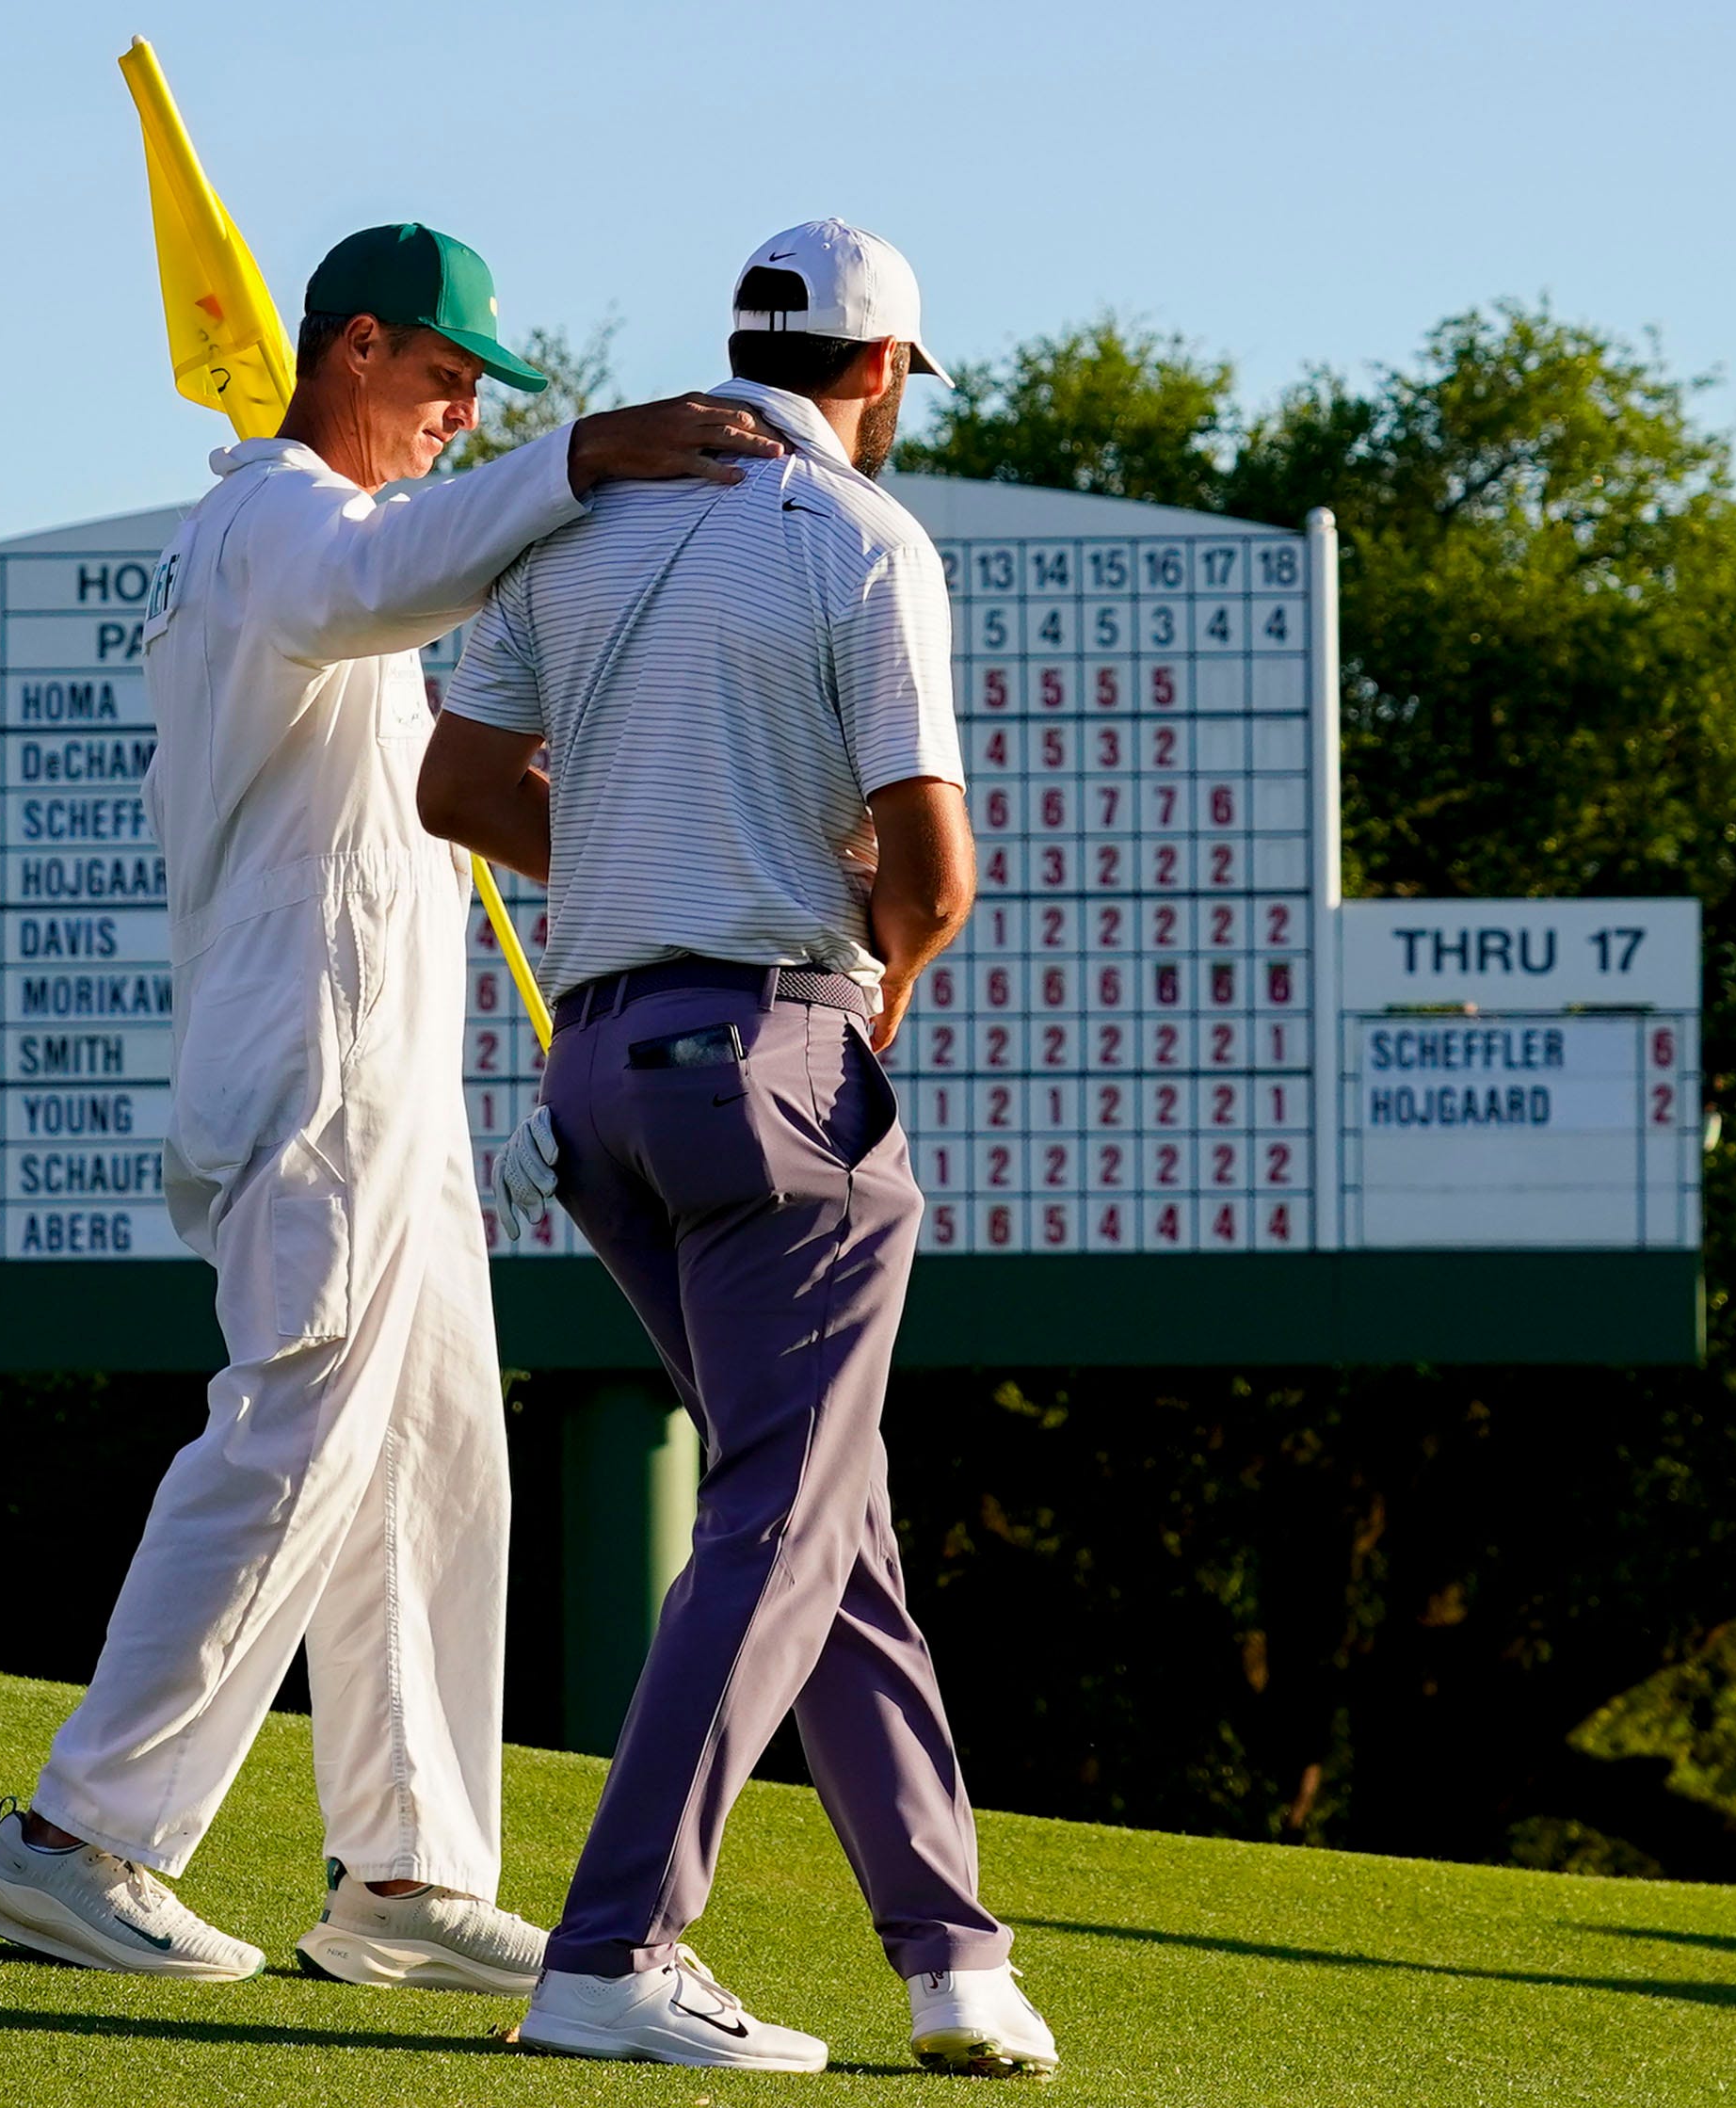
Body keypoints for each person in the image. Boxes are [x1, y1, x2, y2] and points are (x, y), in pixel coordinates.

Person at [0, 223, 781, 1993]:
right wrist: (589, 456)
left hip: (387, 1077)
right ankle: (78, 1837)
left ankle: (406, 1879)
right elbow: (372, 575)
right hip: (309, 1063)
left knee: (431, 1449)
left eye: (488, 394)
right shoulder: (273, 524)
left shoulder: (339, 550)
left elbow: (438, 739)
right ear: (356, 349)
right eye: (444, 376)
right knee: (302, 1429)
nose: (465, 409)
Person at [416, 219, 1057, 2076]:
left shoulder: (580, 525)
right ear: (880, 370)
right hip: (774, 1057)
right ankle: (614, 1945)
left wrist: (634, 867)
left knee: (818, 1505)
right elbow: (931, 867)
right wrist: (889, 986)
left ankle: (952, 1957)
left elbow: (459, 786)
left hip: (599, 1074)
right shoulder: (866, 539)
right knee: (780, 1508)